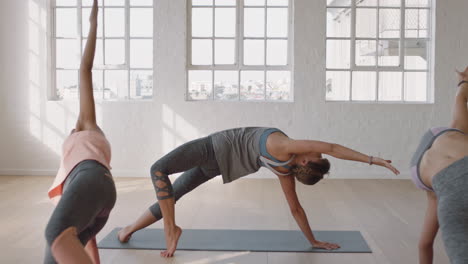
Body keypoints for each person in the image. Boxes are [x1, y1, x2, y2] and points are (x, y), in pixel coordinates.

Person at [118, 127, 400, 257]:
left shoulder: (287, 146)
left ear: (305, 160)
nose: (315, 149)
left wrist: (373, 160)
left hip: (213, 148)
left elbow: (333, 147)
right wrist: (313, 240)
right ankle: (128, 230)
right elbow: (295, 209)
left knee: (158, 170)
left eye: (314, 153)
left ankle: (171, 230)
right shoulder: (284, 169)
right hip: (218, 166)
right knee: (170, 194)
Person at [44, 1, 116, 263]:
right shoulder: (86, 142)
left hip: (92, 179)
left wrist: (93, 24)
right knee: (65, 242)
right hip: (101, 192)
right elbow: (89, 235)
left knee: (55, 234)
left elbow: (84, 69)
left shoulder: (87, 124)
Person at [411, 68, 468, 264]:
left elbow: (425, 244)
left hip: (448, 186)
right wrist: (462, 83)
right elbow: (461, 100)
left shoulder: (432, 191)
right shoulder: (454, 133)